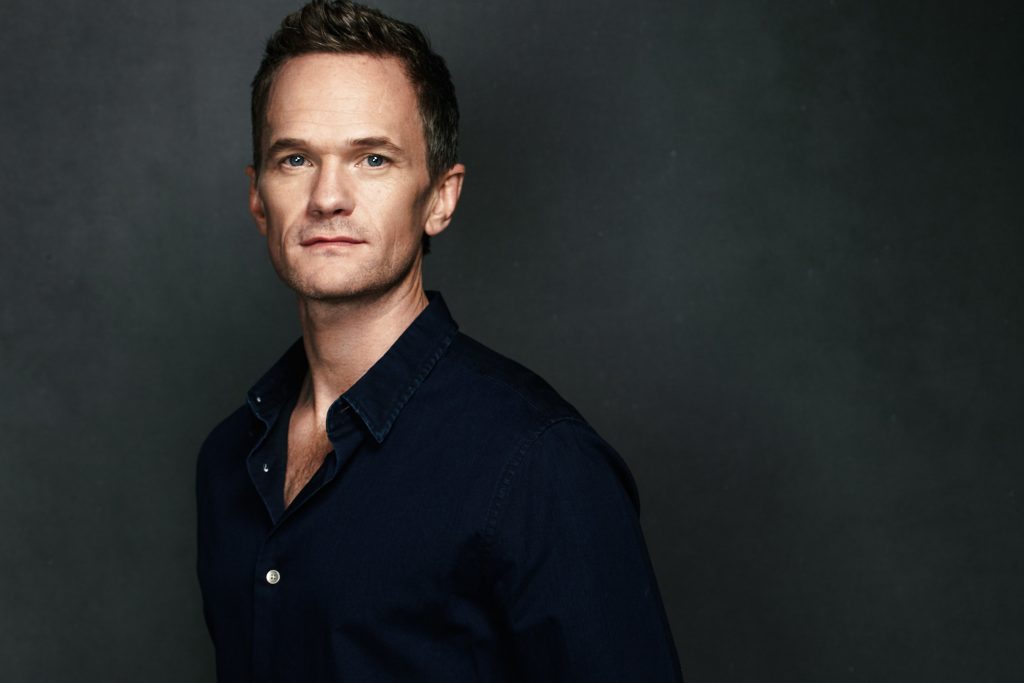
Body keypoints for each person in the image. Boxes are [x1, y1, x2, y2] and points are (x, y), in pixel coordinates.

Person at [195, 1, 683, 680]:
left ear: (440, 198)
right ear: (258, 199)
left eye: (372, 158)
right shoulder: (229, 459)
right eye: (296, 158)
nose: (328, 197)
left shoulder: (538, 464)